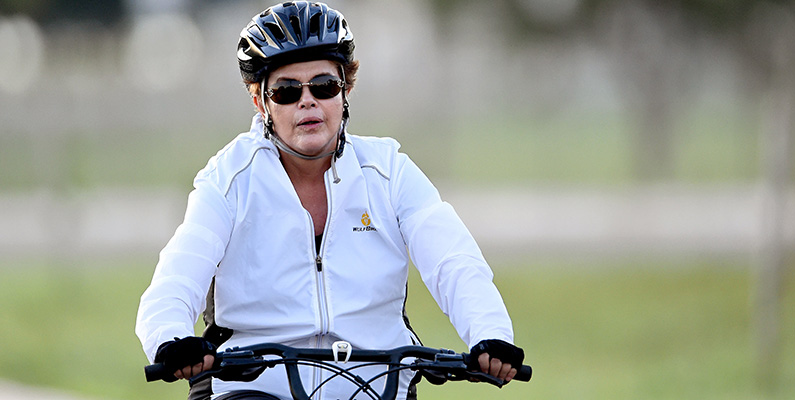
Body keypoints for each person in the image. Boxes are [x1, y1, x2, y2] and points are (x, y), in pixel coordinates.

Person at [135, 2, 524, 399]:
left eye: (324, 86)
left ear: (346, 91)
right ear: (260, 103)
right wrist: (171, 340)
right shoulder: (228, 179)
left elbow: (454, 264)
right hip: (252, 387)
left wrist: (491, 335)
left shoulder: (390, 172)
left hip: (375, 384)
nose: (308, 102)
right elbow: (176, 278)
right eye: (287, 91)